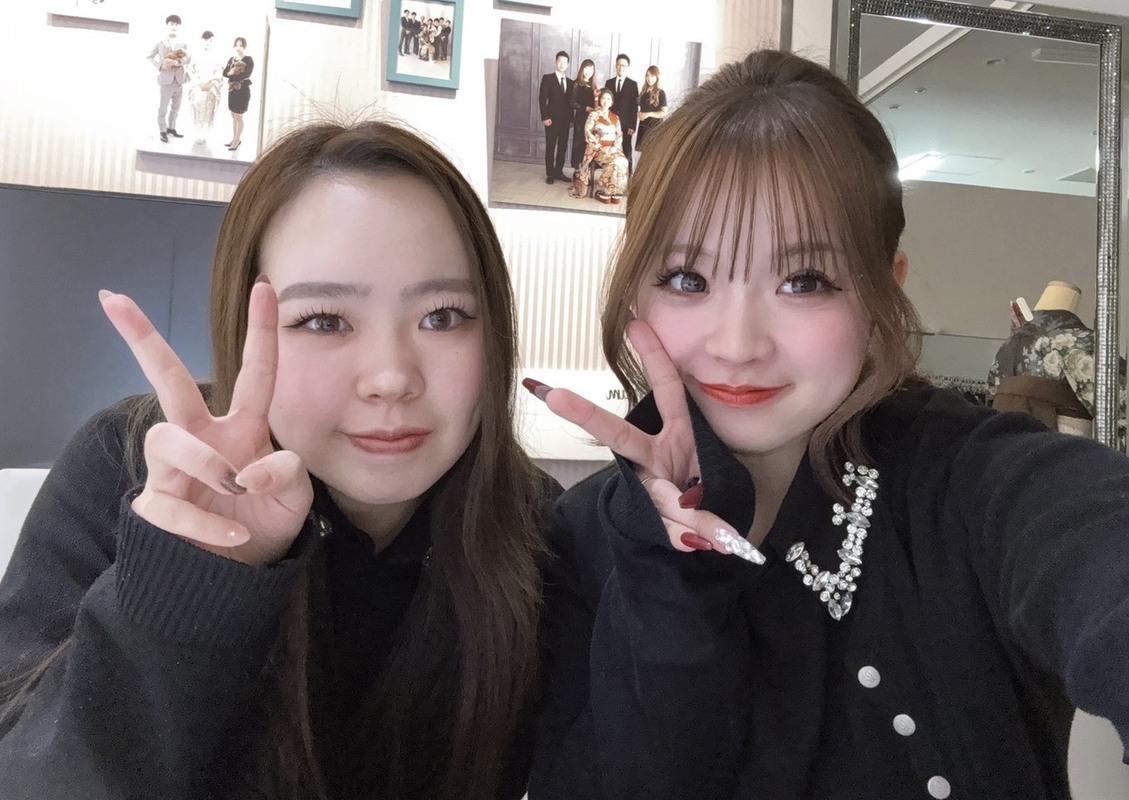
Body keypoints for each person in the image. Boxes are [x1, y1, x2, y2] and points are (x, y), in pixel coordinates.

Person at [525, 49, 1129, 799]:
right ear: (636, 292)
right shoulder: (582, 539)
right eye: (686, 278)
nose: (737, 344)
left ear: (882, 290)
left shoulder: (974, 480)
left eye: (803, 281)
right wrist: (667, 577)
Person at [0, 120, 560, 799]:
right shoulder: (128, 469)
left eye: (442, 316)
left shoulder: (540, 528)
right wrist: (183, 586)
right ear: (244, 327)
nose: (390, 377)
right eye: (323, 321)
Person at [567, 88, 629, 205]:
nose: (606, 101)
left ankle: (616, 190)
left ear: (612, 102)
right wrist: (599, 145)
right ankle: (604, 191)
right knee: (614, 162)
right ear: (600, 100)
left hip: (613, 148)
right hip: (598, 149)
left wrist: (615, 147)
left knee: (623, 161)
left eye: (608, 99)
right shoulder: (593, 115)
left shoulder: (615, 117)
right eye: (603, 98)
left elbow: (619, 134)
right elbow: (587, 132)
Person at [146, 13, 190, 144]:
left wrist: (180, 62)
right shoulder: (160, 42)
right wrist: (160, 66)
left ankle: (172, 128)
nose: (174, 26)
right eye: (171, 24)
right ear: (167, 25)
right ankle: (162, 130)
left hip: (179, 80)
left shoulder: (183, 43)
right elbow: (149, 57)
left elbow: (187, 58)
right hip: (166, 80)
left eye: (176, 24)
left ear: (179, 26)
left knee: (176, 107)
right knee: (163, 108)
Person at [539, 51, 573, 185]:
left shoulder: (570, 82)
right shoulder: (548, 78)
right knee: (550, 146)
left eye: (565, 62)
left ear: (568, 64)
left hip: (565, 121)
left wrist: (571, 120)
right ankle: (550, 173)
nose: (562, 64)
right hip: (551, 120)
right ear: (556, 62)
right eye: (560, 61)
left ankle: (559, 171)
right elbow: (542, 99)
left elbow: (571, 103)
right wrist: (545, 116)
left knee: (562, 147)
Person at [186, 30, 223, 146]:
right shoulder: (195, 55)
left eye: (211, 41)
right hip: (198, 87)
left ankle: (205, 134)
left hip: (211, 88)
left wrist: (211, 84)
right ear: (202, 40)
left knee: (208, 111)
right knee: (198, 110)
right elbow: (190, 71)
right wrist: (199, 83)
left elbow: (219, 72)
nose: (208, 43)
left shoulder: (216, 56)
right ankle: (198, 134)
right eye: (206, 41)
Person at [604, 53, 638, 170]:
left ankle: (628, 175)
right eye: (619, 65)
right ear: (616, 66)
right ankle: (611, 174)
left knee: (626, 149)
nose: (621, 68)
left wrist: (632, 126)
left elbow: (634, 107)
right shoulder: (609, 83)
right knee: (610, 149)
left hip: (626, 125)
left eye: (624, 65)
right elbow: (605, 104)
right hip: (610, 124)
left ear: (627, 67)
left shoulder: (632, 85)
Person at [222, 36, 253, 151]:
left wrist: (231, 74)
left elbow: (246, 74)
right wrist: (230, 73)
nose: (238, 47)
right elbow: (225, 73)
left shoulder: (248, 59)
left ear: (244, 46)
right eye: (236, 45)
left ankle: (237, 140)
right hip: (232, 90)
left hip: (243, 90)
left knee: (238, 116)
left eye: (240, 45)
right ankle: (234, 138)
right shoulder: (231, 59)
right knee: (233, 115)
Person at [570, 59, 599, 175]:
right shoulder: (577, 83)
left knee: (589, 143)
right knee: (579, 142)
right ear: (582, 69)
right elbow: (572, 102)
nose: (588, 71)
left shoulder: (594, 86)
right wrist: (585, 108)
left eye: (591, 69)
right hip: (581, 118)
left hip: (591, 120)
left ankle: (586, 169)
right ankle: (577, 169)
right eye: (586, 68)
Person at [634, 65, 667, 153]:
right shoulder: (643, 92)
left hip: (655, 127)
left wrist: (649, 114)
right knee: (644, 153)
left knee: (653, 153)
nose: (649, 78)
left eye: (652, 76)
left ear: (657, 77)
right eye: (647, 75)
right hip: (643, 126)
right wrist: (639, 114)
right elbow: (643, 109)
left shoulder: (661, 93)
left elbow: (664, 112)